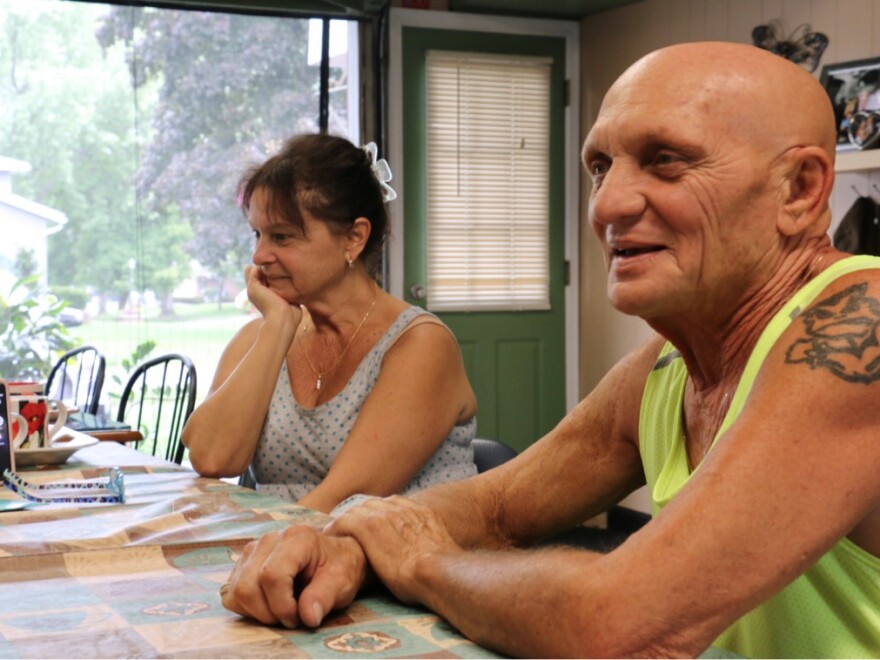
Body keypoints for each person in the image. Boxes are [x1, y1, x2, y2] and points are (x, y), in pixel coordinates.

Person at [217, 42, 880, 658]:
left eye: (666, 161)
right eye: (600, 166)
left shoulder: (862, 328)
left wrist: (422, 561)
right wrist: (348, 542)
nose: (608, 204)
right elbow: (499, 507)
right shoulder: (667, 366)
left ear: (798, 190)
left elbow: (614, 623)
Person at [182, 134, 478, 514]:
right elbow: (211, 458)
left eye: (282, 237)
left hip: (395, 562)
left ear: (354, 238)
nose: (259, 255)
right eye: (258, 234)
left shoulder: (421, 345)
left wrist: (263, 549)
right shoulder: (266, 334)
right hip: (288, 552)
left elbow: (344, 500)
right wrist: (276, 329)